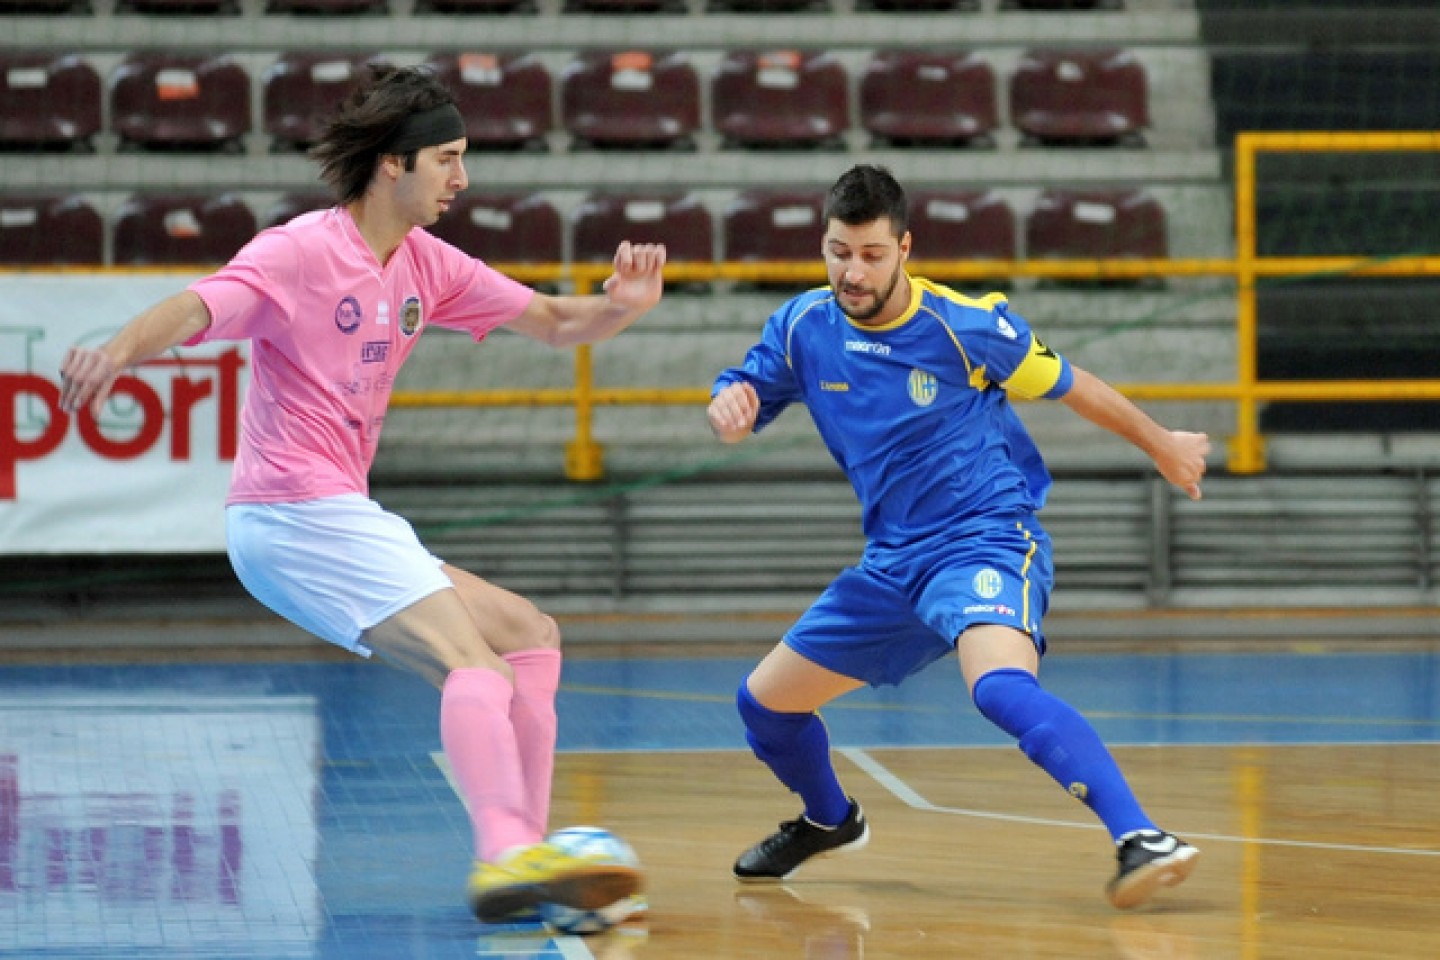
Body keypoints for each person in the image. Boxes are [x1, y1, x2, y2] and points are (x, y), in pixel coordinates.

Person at [59, 65, 666, 923]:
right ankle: (503, 856)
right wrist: (116, 354)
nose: (463, 178)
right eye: (447, 159)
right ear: (393, 164)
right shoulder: (301, 251)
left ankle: (529, 863)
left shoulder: (426, 262)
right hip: (290, 513)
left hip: (336, 514)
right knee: (473, 665)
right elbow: (198, 308)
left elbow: (559, 323)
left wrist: (622, 308)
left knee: (529, 635)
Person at [706, 165, 1206, 910]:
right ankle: (830, 820)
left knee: (1000, 686)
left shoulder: (966, 327)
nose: (853, 270)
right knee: (765, 707)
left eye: (872, 254)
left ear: (905, 247)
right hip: (890, 564)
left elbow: (1073, 383)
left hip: (983, 538)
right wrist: (729, 406)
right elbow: (745, 382)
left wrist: (1161, 441)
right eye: (839, 251)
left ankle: (1140, 836)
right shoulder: (804, 325)